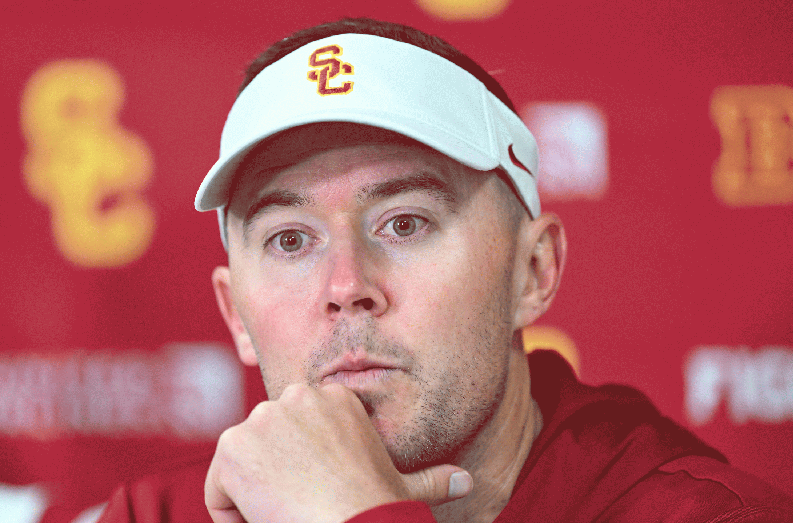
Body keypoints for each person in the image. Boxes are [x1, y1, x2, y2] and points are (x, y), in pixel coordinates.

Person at [97, 18, 793, 523]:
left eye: (405, 223)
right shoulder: (159, 513)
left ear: (533, 270)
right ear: (234, 316)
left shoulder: (699, 514)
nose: (345, 287)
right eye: (288, 240)